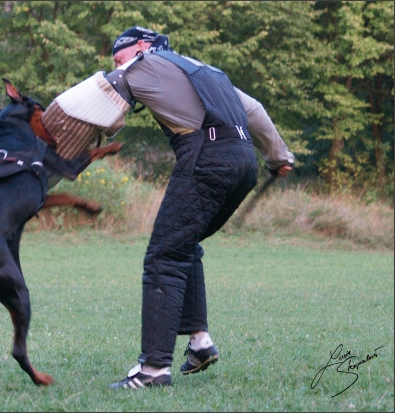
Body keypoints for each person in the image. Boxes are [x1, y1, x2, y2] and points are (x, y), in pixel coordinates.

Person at [105, 26, 294, 389]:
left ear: (142, 47)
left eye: (118, 57)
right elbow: (254, 111)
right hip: (242, 162)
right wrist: (278, 157)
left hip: (206, 157)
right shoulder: (203, 72)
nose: (118, 65)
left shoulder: (143, 65)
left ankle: (153, 370)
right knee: (182, 244)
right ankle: (200, 343)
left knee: (164, 257)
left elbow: (104, 103)